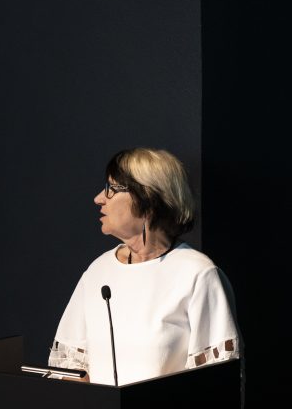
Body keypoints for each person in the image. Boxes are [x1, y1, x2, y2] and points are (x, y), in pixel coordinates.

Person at [48, 147, 244, 395]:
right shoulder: (98, 271)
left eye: (111, 189)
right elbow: (69, 368)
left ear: (148, 199)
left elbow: (214, 384)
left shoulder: (197, 274)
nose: (99, 198)